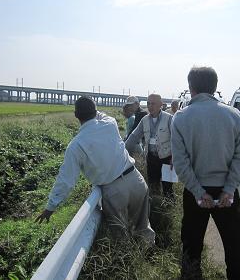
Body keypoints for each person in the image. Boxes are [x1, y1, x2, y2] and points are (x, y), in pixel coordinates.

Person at [36, 96, 155, 244]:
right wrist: (93, 109)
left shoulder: (76, 145)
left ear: (76, 115)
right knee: (143, 227)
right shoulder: (110, 123)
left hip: (114, 191)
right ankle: (149, 253)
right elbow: (99, 114)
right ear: (95, 110)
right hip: (136, 180)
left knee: (121, 236)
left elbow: (66, 181)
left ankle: (131, 262)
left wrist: (50, 208)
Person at [171, 66, 240, 280]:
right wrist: (229, 189)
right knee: (234, 246)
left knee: (191, 246)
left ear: (191, 87)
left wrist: (198, 192)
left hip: (195, 191)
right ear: (215, 87)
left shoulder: (180, 117)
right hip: (227, 193)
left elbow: (180, 162)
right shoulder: (234, 115)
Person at [126, 94, 174, 199]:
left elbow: (177, 140)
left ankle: (168, 208)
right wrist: (122, 151)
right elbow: (133, 137)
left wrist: (174, 157)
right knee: (153, 185)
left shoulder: (169, 119)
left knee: (168, 187)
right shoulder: (144, 120)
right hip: (151, 158)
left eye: (153, 103)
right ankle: (155, 208)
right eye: (148, 103)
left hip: (168, 158)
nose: (150, 106)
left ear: (161, 105)